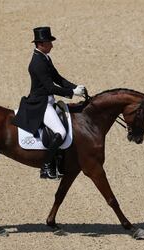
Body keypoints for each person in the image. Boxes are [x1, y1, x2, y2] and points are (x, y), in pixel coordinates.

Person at [12, 26, 86, 179]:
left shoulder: (45, 58)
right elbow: (50, 87)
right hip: (41, 104)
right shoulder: (37, 63)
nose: (52, 45)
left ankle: (59, 162)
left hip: (49, 101)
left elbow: (58, 78)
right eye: (49, 42)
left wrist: (75, 87)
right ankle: (46, 166)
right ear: (41, 44)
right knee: (61, 132)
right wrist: (71, 93)